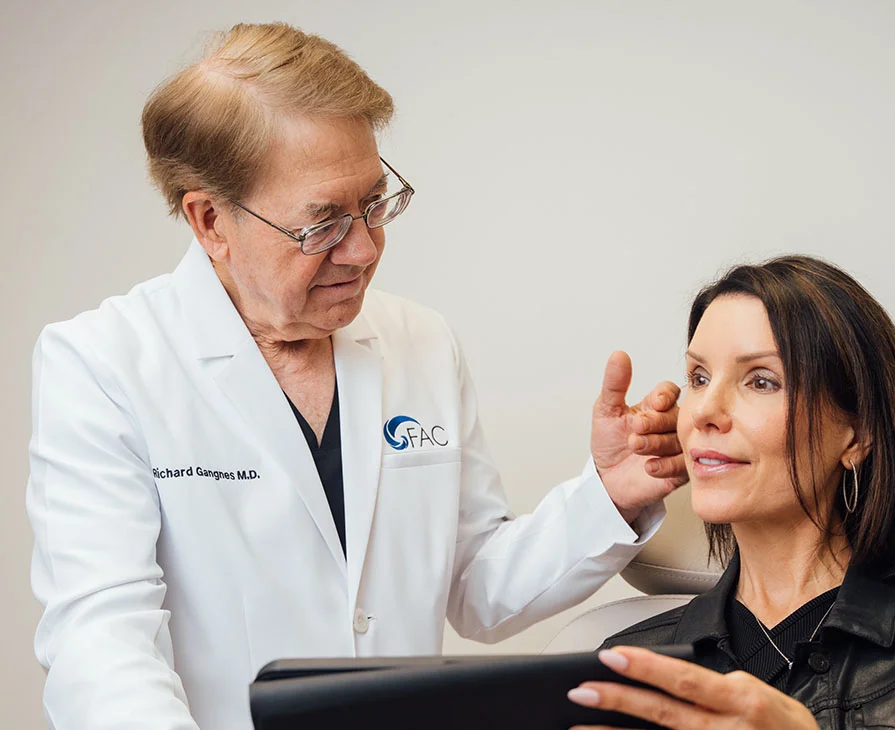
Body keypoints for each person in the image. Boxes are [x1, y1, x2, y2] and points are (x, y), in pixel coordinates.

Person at [25, 22, 688, 730]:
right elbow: (100, 644)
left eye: (375, 203)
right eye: (322, 225)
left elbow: (476, 589)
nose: (364, 249)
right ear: (210, 219)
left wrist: (608, 499)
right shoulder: (104, 364)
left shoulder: (420, 342)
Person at [567, 256, 895, 729]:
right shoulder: (629, 668)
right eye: (698, 377)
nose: (704, 411)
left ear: (856, 437)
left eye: (761, 381)